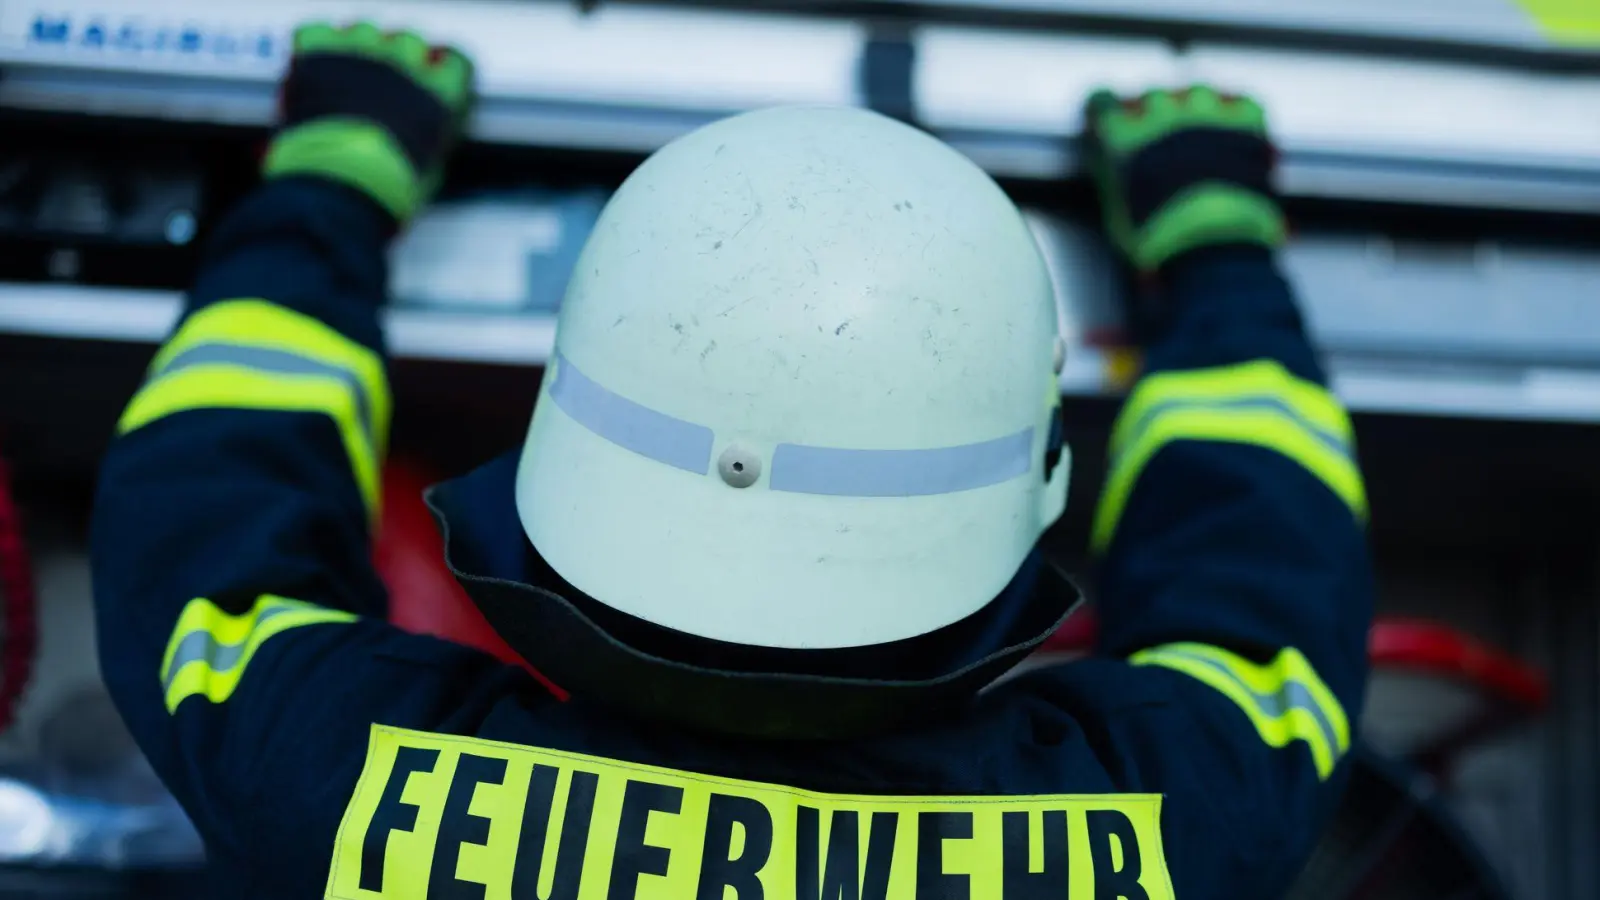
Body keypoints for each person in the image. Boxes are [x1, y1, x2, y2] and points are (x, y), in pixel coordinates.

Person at [91, 20, 1373, 900]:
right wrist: (1213, 239)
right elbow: (1264, 579)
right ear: (1032, 483)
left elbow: (206, 498)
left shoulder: (329, 780)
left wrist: (333, 175)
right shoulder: (1167, 828)